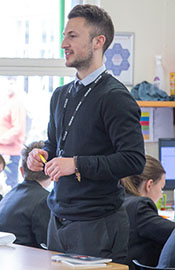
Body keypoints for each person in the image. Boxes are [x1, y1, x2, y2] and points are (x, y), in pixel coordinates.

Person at [27, 4, 145, 264]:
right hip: (58, 220)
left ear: (98, 42)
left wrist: (77, 164)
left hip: (97, 224)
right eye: (63, 35)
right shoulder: (61, 95)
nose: (63, 44)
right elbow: (55, 145)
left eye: (72, 36)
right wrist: (41, 155)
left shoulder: (115, 97)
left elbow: (134, 160)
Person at [0, 141, 51, 248]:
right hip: (24, 260)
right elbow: (48, 242)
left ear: (21, 171)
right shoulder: (43, 199)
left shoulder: (8, 196)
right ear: (51, 171)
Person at [121, 155, 175, 269]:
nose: (161, 195)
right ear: (149, 185)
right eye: (161, 188)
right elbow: (172, 234)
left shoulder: (122, 200)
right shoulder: (139, 207)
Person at [0, 77, 26, 189]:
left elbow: (18, 129)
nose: (9, 86)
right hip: (1, 151)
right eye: (7, 83)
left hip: (11, 152)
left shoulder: (16, 104)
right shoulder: (5, 102)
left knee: (10, 185)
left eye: (12, 83)